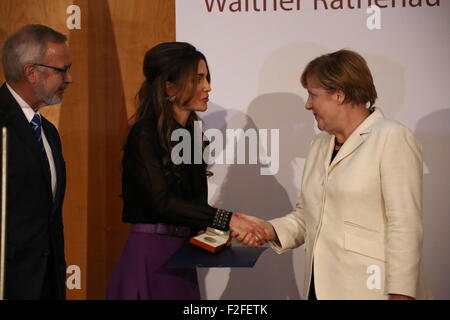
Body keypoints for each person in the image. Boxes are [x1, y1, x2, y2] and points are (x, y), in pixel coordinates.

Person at [234, 49, 431, 300]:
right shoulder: (319, 146)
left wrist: (401, 294)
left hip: (372, 291)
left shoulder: (392, 137)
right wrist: (268, 229)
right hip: (320, 289)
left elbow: (405, 225)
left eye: (312, 95)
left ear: (339, 94)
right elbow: (309, 216)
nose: (307, 105)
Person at [106, 42, 265, 300]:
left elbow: (193, 202)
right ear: (169, 87)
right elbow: (162, 202)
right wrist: (227, 219)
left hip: (181, 254)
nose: (208, 87)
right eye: (198, 79)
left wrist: (214, 229)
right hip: (151, 254)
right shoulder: (143, 133)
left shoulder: (190, 135)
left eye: (206, 78)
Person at [0, 24, 72, 299]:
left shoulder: (48, 132)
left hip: (47, 282)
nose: (70, 78)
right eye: (62, 70)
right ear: (31, 72)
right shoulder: (2, 122)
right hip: (9, 283)